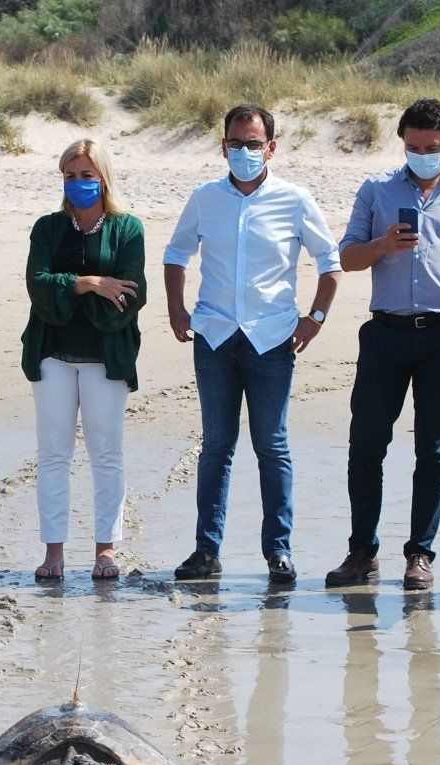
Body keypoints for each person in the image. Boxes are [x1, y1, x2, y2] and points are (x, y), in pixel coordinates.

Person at [327, 98, 440, 591]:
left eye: (431, 147)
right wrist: (382, 246)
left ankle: (420, 555)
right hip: (385, 333)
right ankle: (361, 552)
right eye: (412, 147)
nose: (421, 154)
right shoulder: (377, 190)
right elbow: (347, 258)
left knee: (433, 447)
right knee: (366, 444)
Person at [163, 104, 341, 585]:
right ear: (223, 146)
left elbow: (330, 261)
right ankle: (206, 551)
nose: (245, 152)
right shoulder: (204, 199)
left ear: (271, 148)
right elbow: (176, 254)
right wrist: (177, 310)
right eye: (236, 143)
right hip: (216, 335)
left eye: (254, 144)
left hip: (272, 338)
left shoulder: (295, 199)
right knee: (216, 447)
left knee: (272, 446)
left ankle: (278, 553)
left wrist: (316, 318)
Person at [21, 138, 145, 581]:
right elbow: (38, 286)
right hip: (51, 353)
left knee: (106, 452)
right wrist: (91, 283)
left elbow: (131, 295)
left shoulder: (128, 229)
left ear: (103, 178)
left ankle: (106, 549)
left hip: (105, 358)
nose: (78, 184)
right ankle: (54, 551)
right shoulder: (47, 228)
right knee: (53, 452)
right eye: (70, 176)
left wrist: (69, 291)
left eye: (87, 176)